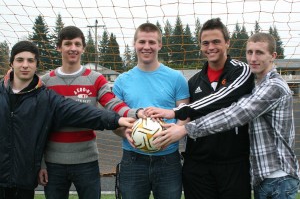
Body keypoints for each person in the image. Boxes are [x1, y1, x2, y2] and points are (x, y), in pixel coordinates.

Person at [151, 32, 300, 199]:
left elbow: (234, 115)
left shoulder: (274, 86)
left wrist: (185, 128)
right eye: (249, 52)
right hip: (265, 176)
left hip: (278, 178)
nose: (253, 58)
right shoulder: (257, 84)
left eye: (259, 53)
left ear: (273, 56)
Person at [0, 40, 135, 199]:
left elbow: (81, 112)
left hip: (23, 184)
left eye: (30, 60)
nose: (25, 65)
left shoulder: (46, 98)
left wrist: (117, 120)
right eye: (20, 60)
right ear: (11, 63)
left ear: (36, 65)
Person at [145, 18, 255, 199]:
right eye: (205, 43)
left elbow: (221, 98)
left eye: (216, 41)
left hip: (233, 164)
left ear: (227, 43)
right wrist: (172, 129)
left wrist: (176, 111)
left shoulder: (242, 71)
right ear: (200, 46)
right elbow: (188, 117)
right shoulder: (194, 81)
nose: (210, 47)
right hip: (197, 166)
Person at [37, 26, 143, 199]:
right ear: (59, 47)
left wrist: (135, 113)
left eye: (77, 44)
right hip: (53, 163)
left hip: (87, 161)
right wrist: (41, 163)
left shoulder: (95, 78)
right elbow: (38, 126)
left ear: (83, 48)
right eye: (68, 43)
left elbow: (113, 103)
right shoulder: (45, 82)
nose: (73, 48)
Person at [112, 22, 190, 199]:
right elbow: (115, 121)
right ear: (134, 44)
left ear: (160, 45)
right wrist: (126, 133)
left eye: (152, 42)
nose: (146, 47)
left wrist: (174, 134)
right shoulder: (122, 81)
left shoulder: (176, 78)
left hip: (168, 160)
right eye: (142, 42)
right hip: (132, 159)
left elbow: (185, 115)